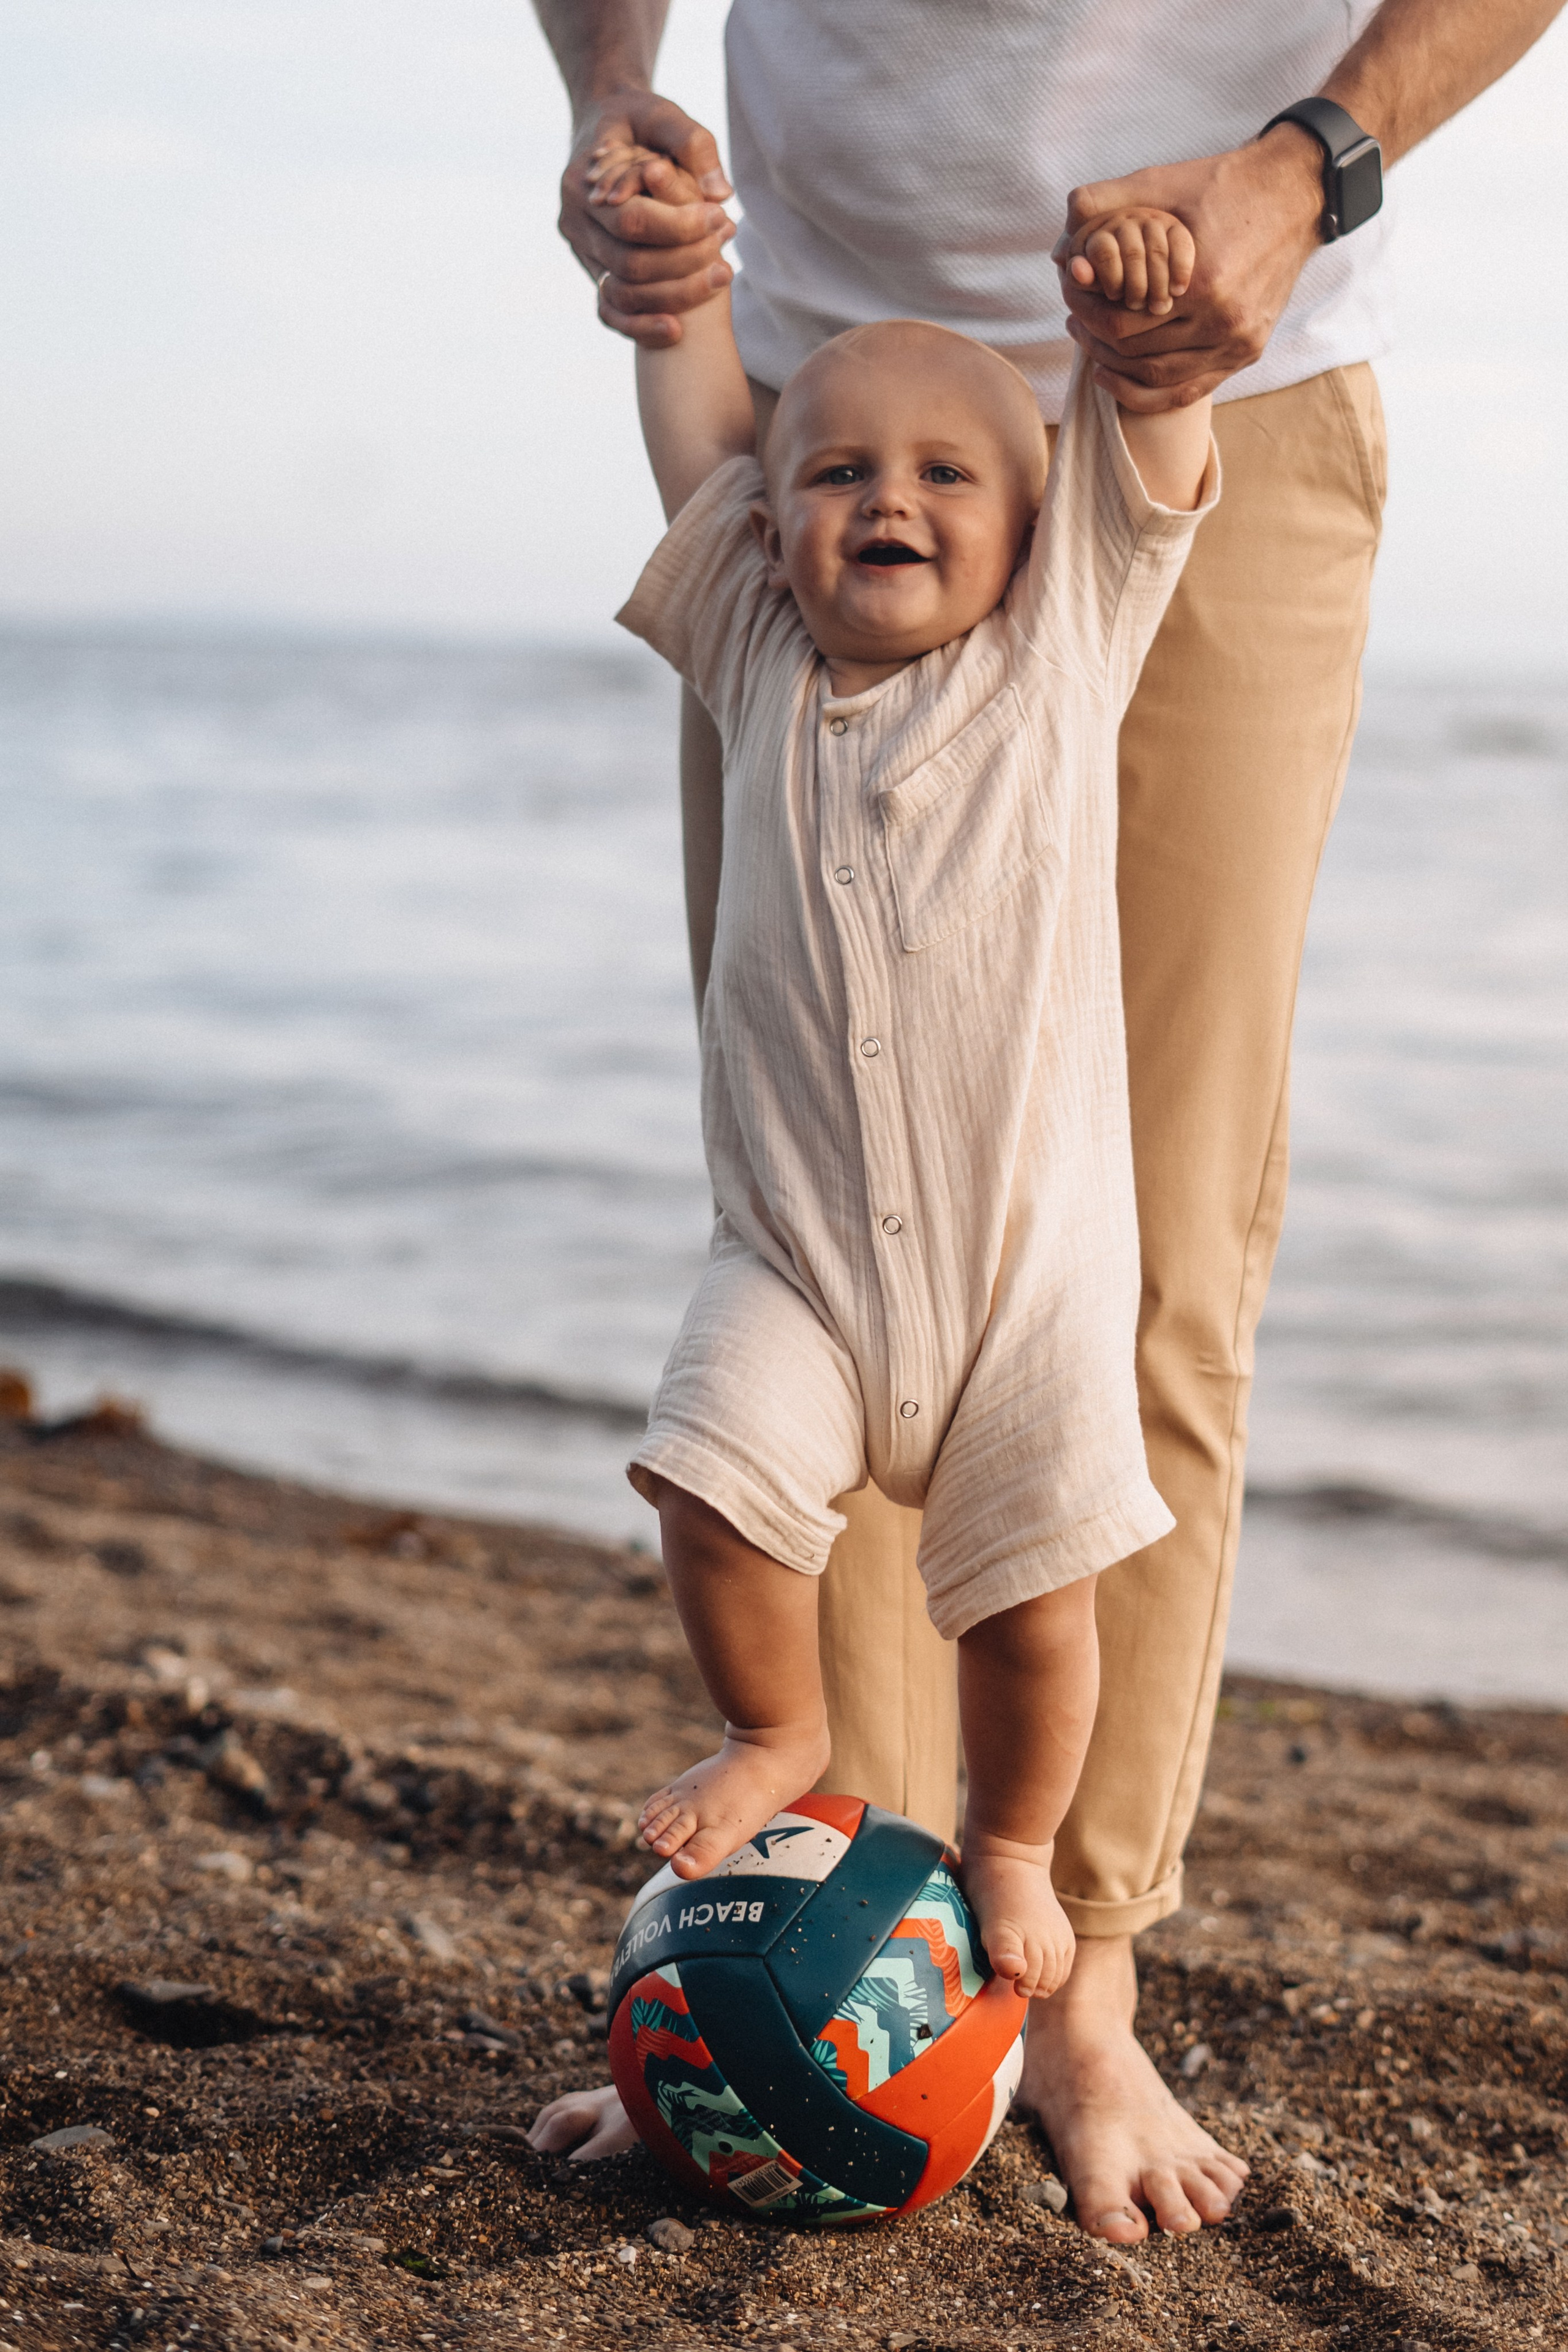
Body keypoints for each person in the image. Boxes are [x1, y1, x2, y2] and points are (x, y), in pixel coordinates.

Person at [529, 0, 1566, 2245]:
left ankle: (1070, 1977)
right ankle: (820, 1976)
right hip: (793, 337)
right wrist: (620, 105)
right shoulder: (769, 565)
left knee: (1142, 1276)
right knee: (796, 1299)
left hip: (1227, 352)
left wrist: (1294, 177)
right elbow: (703, 433)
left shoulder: (1085, 571)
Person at [597, 151, 1213, 2001]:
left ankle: (1016, 1843)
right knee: (708, 1490)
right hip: (796, 1262)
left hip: (1026, 1284)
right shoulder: (753, 652)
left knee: (1038, 1613)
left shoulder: (1061, 655)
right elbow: (703, 425)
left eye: (949, 472)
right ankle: (777, 1732)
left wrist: (1146, 342)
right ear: (772, 528)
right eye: (840, 470)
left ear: (1029, 529)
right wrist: (682, 297)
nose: (889, 496)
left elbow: (1151, 465)